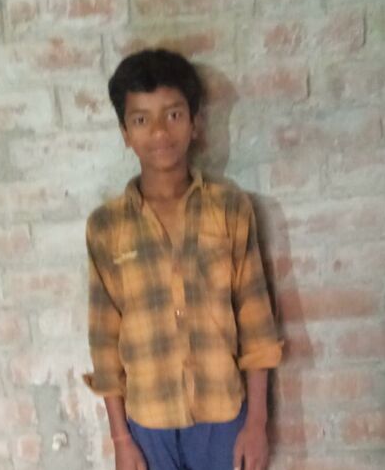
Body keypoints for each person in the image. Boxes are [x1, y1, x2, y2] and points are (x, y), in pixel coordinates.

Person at [83, 48, 283, 470]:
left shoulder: (229, 208)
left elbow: (256, 322)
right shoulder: (106, 226)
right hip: (147, 424)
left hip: (224, 416)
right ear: (125, 132)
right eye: (141, 120)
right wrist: (120, 438)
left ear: (195, 123)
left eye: (173, 114)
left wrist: (257, 423)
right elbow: (104, 343)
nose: (159, 131)